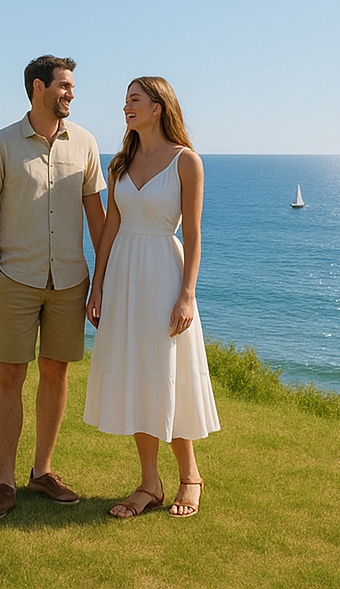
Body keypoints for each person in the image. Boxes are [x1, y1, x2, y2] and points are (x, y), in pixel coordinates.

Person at [0, 55, 107, 519]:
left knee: (57, 372)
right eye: (65, 86)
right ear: (38, 87)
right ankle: (4, 480)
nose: (71, 93)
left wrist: (101, 283)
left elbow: (98, 220)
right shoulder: (1, 144)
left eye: (72, 87)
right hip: (17, 280)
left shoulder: (86, 143)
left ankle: (43, 472)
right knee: (10, 375)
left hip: (71, 282)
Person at [82, 76, 220, 518]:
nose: (126, 107)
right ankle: (149, 484)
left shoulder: (187, 162)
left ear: (158, 107)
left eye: (134, 100)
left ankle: (190, 476)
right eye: (125, 101)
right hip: (124, 277)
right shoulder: (119, 164)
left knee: (169, 374)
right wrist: (97, 285)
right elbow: (108, 232)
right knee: (138, 374)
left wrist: (187, 295)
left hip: (165, 273)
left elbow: (195, 236)